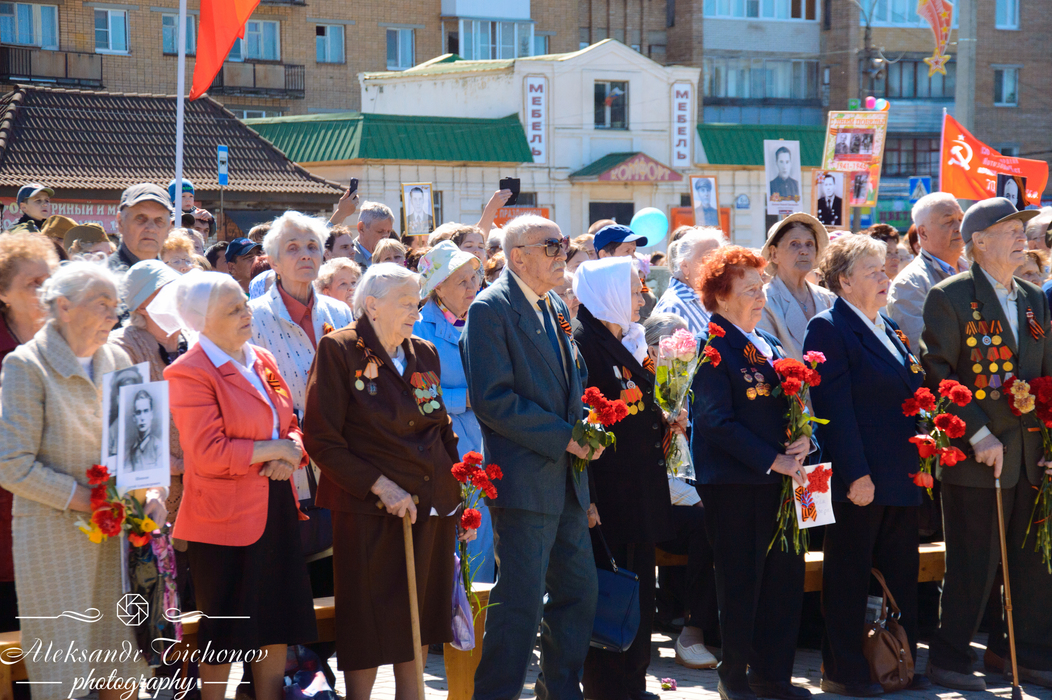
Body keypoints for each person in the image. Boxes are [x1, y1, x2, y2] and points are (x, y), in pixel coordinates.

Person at [0, 262, 166, 697]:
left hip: (118, 549)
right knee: (62, 676)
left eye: (116, 305)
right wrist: (88, 500)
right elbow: (12, 465)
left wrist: (153, 492)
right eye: (102, 304)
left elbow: (141, 450)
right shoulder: (26, 364)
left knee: (122, 668)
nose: (114, 315)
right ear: (64, 306)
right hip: (54, 542)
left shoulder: (118, 358)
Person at [301, 263, 464, 699]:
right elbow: (321, 439)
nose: (416, 312)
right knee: (370, 619)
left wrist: (457, 492)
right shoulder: (339, 349)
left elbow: (441, 426)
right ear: (372, 305)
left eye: (417, 303)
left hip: (430, 505)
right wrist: (381, 485)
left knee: (419, 616)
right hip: (370, 510)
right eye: (406, 303)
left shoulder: (423, 351)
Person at [153, 271, 316, 700]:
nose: (247, 313)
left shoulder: (261, 357)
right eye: (233, 310)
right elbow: (208, 452)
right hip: (223, 522)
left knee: (276, 622)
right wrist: (274, 449)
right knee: (224, 631)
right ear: (201, 321)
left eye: (245, 303)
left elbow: (290, 421)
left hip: (275, 504)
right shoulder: (187, 372)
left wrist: (292, 451)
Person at [462, 214, 599, 700]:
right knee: (519, 605)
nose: (562, 253)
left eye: (563, 244)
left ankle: (559, 692)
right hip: (525, 481)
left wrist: (588, 432)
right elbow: (493, 400)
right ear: (517, 256)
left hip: (566, 480)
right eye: (551, 246)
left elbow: (571, 382)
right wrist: (565, 437)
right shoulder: (490, 309)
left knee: (579, 593)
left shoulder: (553, 304)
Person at [920, 198, 1052, 691]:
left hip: (1031, 454)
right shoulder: (951, 296)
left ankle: (1025, 654)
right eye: (1010, 229)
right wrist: (977, 433)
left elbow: (1046, 373)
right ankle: (951, 658)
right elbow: (938, 374)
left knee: (1033, 564)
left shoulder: (1033, 297)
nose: (1022, 236)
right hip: (979, 455)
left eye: (1022, 228)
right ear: (979, 241)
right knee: (973, 564)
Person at [803, 234, 928, 697]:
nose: (884, 277)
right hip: (860, 477)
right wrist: (856, 474)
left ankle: (898, 663)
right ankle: (845, 670)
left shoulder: (887, 325)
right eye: (872, 271)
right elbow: (833, 409)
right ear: (844, 281)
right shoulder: (829, 327)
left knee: (899, 574)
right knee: (849, 576)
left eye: (883, 269)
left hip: (900, 473)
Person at [692, 245, 810, 700]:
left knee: (782, 581)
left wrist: (805, 441)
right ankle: (734, 676)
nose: (761, 298)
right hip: (737, 485)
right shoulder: (712, 345)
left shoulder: (768, 342)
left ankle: (772, 676)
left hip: (780, 483)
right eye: (749, 291)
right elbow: (714, 421)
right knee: (741, 583)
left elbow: (793, 407)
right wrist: (772, 458)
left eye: (762, 288)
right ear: (721, 297)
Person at [573, 257, 679, 699]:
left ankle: (633, 681)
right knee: (611, 594)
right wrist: (588, 497)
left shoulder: (627, 338)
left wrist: (665, 418)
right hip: (609, 496)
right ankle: (607, 688)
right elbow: (583, 423)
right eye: (635, 291)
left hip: (638, 491)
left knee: (639, 594)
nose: (643, 299)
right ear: (610, 294)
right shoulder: (584, 343)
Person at [413, 241, 493, 580]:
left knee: (482, 546)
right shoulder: (419, 328)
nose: (473, 287)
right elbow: (415, 395)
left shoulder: (483, 319)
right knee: (452, 552)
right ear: (438, 288)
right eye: (462, 281)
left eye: (474, 278)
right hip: (446, 450)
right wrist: (467, 399)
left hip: (486, 446)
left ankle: (478, 613)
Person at [643, 313, 719, 671]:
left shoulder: (690, 384)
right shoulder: (642, 384)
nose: (683, 351)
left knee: (722, 517)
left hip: (689, 491)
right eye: (673, 344)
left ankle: (711, 628)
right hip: (653, 499)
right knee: (706, 522)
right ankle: (692, 629)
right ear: (652, 349)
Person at [0, 232, 58, 632]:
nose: (44, 291)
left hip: (63, 528)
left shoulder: (74, 343)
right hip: (7, 523)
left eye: (49, 281)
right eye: (32, 283)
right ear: (3, 293)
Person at [250, 211, 354, 433]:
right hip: (286, 444)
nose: (306, 255)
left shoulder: (340, 312)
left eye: (312, 247)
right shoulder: (252, 318)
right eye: (293, 248)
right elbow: (254, 393)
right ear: (274, 262)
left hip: (343, 441)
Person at [886, 192, 966, 351]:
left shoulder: (977, 269)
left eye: (961, 220)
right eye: (948, 221)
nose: (959, 228)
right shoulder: (910, 284)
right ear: (923, 233)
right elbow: (922, 352)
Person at [758, 214, 835, 362]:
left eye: (809, 244)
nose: (804, 251)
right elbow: (769, 359)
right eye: (794, 244)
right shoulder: (763, 301)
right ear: (774, 254)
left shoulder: (829, 299)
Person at [653, 228, 725, 336]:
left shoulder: (708, 298)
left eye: (720, 258)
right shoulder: (672, 308)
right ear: (685, 266)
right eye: (708, 257)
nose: (717, 265)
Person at [109, 183, 173, 275]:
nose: (151, 228)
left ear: (168, 228)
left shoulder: (174, 281)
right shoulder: (100, 279)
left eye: (159, 220)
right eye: (140, 218)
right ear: (120, 222)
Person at [125, 388, 162, 472]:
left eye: (146, 411)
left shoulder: (158, 447)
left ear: (151, 415)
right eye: (138, 412)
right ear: (134, 417)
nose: (142, 418)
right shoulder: (132, 450)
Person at [354, 202, 397, 268]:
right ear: (361, 228)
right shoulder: (348, 257)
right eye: (380, 232)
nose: (385, 237)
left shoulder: (394, 258)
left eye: (388, 232)